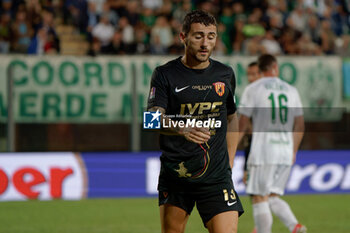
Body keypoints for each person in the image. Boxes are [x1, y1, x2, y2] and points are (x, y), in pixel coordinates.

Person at [147, 10, 244, 233]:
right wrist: (181, 128)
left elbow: (232, 117)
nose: (205, 43)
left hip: (217, 177)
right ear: (183, 37)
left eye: (211, 36)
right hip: (177, 176)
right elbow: (151, 120)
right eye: (198, 35)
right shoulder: (165, 74)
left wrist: (229, 162)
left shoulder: (225, 74)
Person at [238, 54, 306, 233]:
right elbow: (299, 124)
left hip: (263, 150)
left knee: (259, 198)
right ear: (276, 67)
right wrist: (294, 150)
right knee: (272, 196)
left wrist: (230, 147)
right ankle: (295, 226)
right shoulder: (291, 90)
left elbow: (242, 122)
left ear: (259, 70)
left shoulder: (254, 89)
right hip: (285, 150)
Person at [241, 61, 261, 185]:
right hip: (253, 149)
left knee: (259, 195)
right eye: (249, 74)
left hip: (260, 152)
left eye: (254, 74)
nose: (250, 78)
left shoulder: (251, 91)